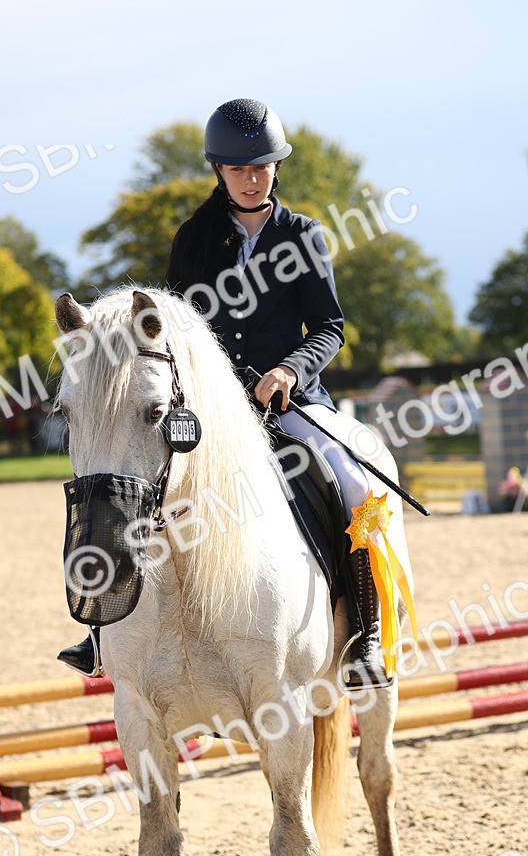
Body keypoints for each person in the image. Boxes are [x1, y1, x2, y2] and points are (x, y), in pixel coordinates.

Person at [59, 98, 399, 688]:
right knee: (128, 476)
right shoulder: (193, 238)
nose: (253, 178)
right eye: (241, 168)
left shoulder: (305, 237)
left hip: (290, 403)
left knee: (350, 480)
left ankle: (364, 635)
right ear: (219, 170)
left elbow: (330, 328)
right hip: (213, 409)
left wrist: (289, 371)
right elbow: (166, 332)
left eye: (263, 166)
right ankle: (102, 629)